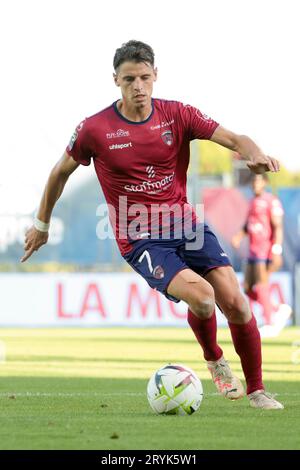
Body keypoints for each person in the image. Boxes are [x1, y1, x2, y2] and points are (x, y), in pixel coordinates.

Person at [21, 40, 284, 409]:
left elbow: (234, 138)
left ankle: (257, 390)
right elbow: (58, 174)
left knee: (237, 303)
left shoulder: (178, 115)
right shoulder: (94, 129)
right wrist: (42, 224)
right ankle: (215, 360)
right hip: (140, 237)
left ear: (156, 75)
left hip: (185, 224)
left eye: (145, 77)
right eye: (129, 79)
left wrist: (253, 153)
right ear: (116, 80)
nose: (138, 86)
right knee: (204, 299)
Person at [232, 174, 292, 337]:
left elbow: (278, 226)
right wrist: (239, 236)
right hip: (252, 250)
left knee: (261, 284)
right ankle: (277, 309)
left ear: (265, 182)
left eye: (258, 181)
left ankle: (270, 323)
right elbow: (249, 224)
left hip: (264, 249)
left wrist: (277, 249)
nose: (255, 184)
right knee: (248, 288)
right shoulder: (252, 201)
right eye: (253, 181)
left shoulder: (271, 201)